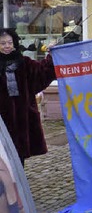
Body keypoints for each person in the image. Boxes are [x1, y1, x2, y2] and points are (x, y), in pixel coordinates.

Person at [0, 28, 57, 166]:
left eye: (10, 42)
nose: (7, 46)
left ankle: (18, 187)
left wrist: (52, 55)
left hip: (21, 118)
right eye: (2, 43)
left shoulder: (24, 62)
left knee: (18, 158)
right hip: (2, 119)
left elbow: (43, 72)